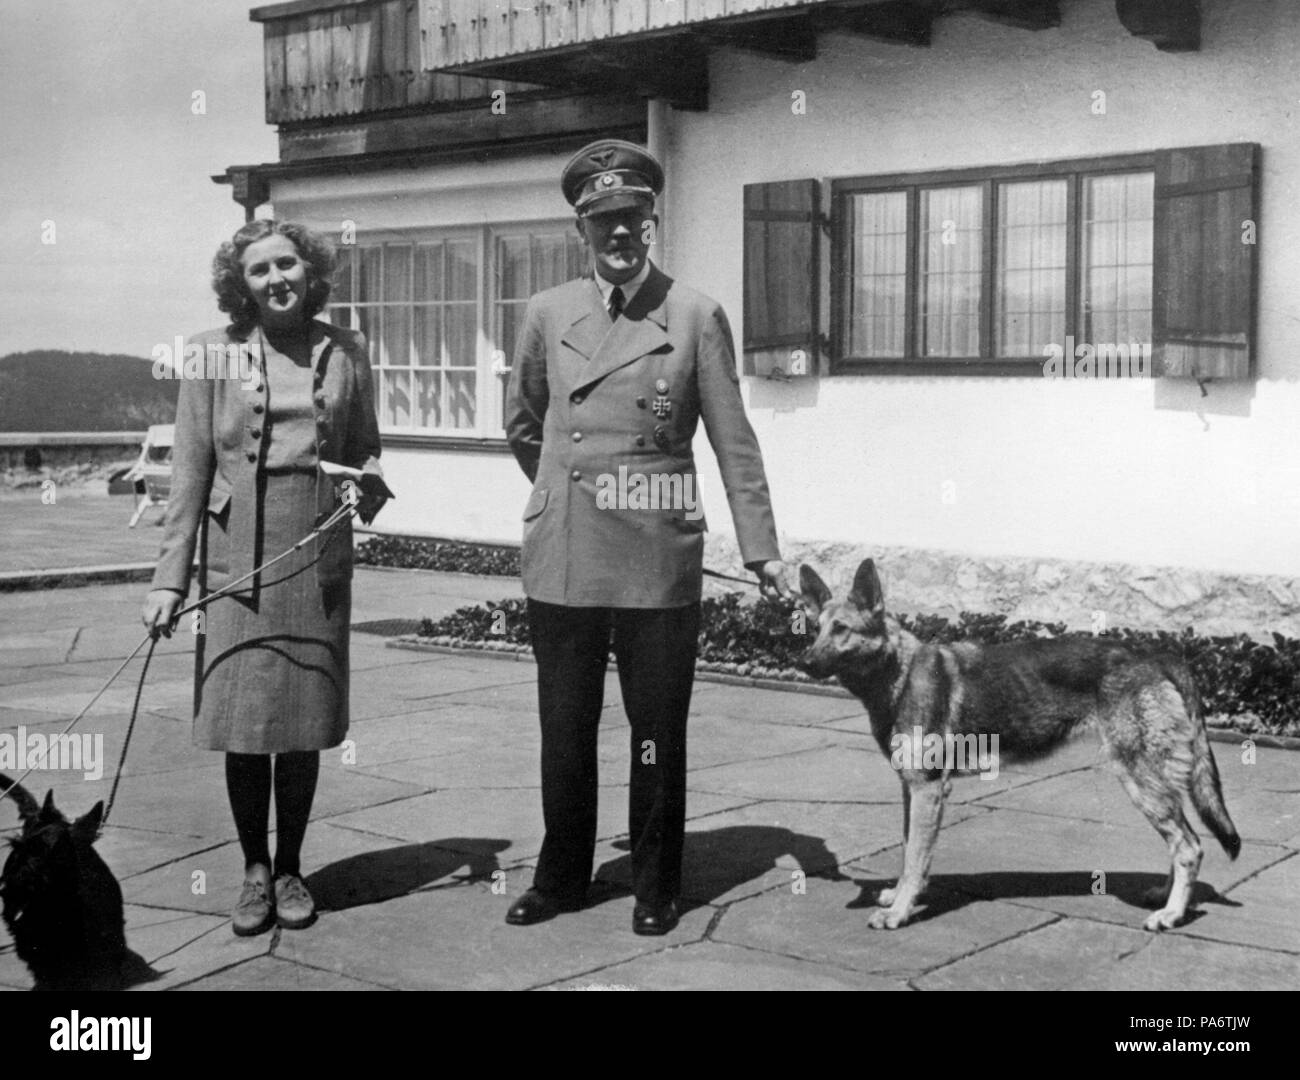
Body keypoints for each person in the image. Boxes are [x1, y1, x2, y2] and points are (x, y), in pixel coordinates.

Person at [504, 139, 791, 936]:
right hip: (565, 549)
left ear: (651, 222)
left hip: (655, 557)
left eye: (632, 218)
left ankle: (657, 883)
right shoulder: (546, 313)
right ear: (581, 230)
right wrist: (570, 488)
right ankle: (561, 876)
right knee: (564, 726)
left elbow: (734, 443)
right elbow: (524, 425)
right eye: (604, 221)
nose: (620, 234)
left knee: (656, 730)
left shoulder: (695, 313)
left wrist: (762, 551)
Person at [141, 220, 388, 936]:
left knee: (303, 723)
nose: (277, 278)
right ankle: (253, 869)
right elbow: (189, 473)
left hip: (314, 553)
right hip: (234, 555)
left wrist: (367, 482)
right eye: (260, 270)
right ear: (239, 284)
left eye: (288, 264)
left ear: (309, 271)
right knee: (246, 724)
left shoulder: (348, 350)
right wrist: (169, 582)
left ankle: (291, 865)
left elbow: (366, 447)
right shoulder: (208, 355)